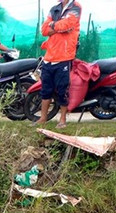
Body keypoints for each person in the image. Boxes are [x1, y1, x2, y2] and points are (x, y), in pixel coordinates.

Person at [34, 0, 82, 129]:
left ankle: (63, 119)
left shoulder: (75, 7)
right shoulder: (54, 8)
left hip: (64, 57)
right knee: (45, 89)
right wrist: (57, 26)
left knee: (62, 90)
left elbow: (67, 25)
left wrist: (52, 25)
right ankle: (43, 118)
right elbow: (44, 30)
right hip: (49, 57)